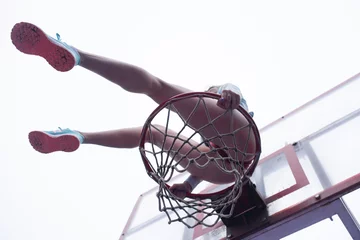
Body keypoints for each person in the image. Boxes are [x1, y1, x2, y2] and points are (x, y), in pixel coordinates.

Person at [11, 22, 256, 199]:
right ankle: (80, 136)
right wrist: (190, 185)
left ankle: (78, 56)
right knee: (152, 131)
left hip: (238, 149)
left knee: (157, 87)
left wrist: (231, 91)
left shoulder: (222, 94)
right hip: (226, 169)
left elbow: (232, 88)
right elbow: (209, 161)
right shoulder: (213, 111)